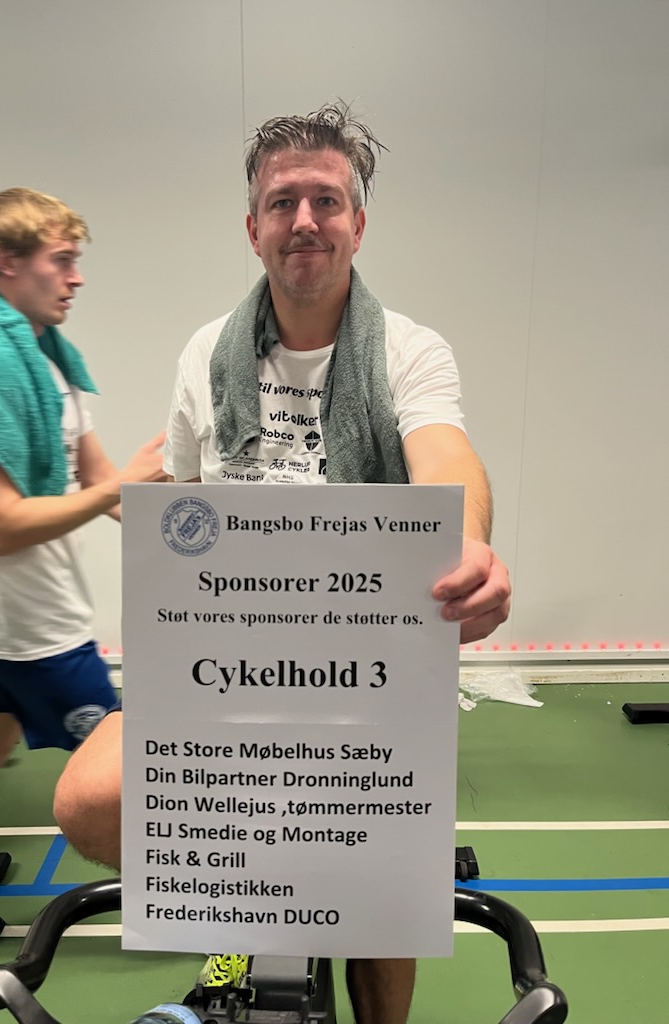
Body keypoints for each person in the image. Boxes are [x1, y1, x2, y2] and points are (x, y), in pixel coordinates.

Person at [55, 103, 511, 1023]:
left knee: (384, 874)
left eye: (326, 200)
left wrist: (467, 541)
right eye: (282, 202)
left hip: (369, 674)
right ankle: (254, 905)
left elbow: (447, 457)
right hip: (231, 667)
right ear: (253, 226)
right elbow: (185, 506)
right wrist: (134, 508)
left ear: (358, 224)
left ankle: (339, 935)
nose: (305, 220)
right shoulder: (204, 355)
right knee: (87, 800)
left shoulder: (409, 352)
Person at [0, 188, 166, 958]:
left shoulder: (49, 360)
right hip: (33, 632)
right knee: (130, 777)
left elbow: (106, 484)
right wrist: (115, 491)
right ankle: (192, 899)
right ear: (6, 262)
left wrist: (197, 528)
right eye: (62, 259)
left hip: (13, 625)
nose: (76, 277)